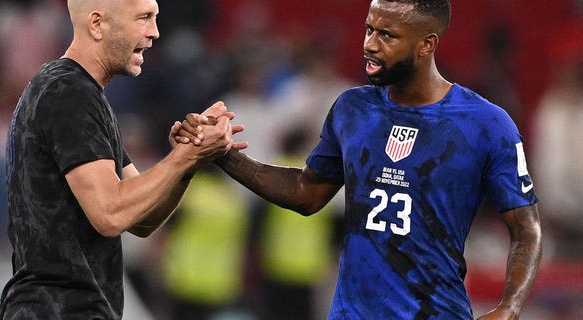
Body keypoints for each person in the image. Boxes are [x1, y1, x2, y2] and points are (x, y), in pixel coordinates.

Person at [174, 0, 542, 319]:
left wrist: (509, 307)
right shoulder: (353, 109)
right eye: (369, 29)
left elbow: (526, 229)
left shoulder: (486, 124)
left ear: (427, 44)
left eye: (388, 35)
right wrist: (223, 155)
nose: (370, 44)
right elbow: (306, 192)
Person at [0, 0, 242, 319]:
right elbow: (110, 214)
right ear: (97, 24)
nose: (154, 32)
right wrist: (186, 156)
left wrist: (187, 161)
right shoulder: (69, 93)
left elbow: (141, 220)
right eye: (143, 18)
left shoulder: (86, 96)